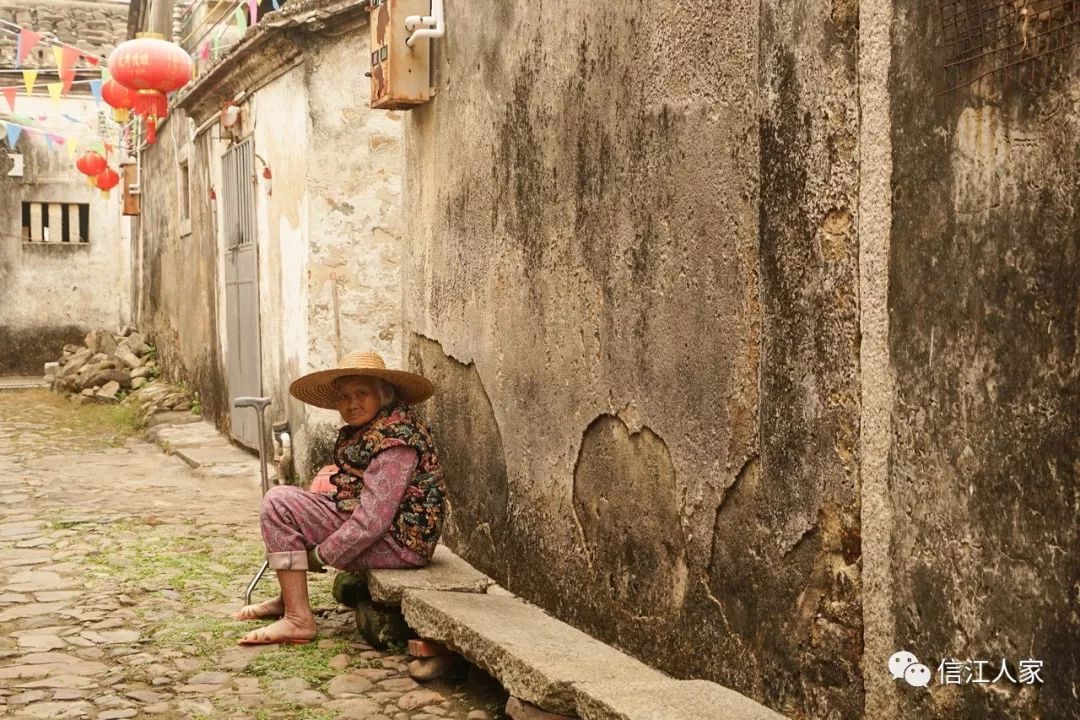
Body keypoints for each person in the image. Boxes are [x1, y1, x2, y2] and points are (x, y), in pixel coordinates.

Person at [231, 351, 445, 645]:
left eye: (361, 393)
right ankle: (289, 601)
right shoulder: (377, 427)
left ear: (383, 395)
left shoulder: (396, 438)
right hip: (390, 536)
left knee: (278, 504)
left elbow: (372, 522)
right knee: (291, 500)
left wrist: (321, 554)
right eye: (344, 396)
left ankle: (298, 619)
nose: (352, 403)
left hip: (400, 545)